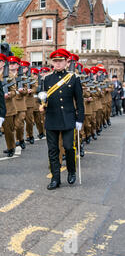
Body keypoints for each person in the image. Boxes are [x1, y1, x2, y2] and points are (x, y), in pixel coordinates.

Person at [40, 48, 84, 190]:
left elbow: (79, 100)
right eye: (55, 61)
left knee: (68, 147)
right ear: (52, 62)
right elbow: (41, 96)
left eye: (60, 61)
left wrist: (80, 119)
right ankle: (55, 178)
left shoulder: (73, 78)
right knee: (52, 150)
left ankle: (71, 171)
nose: (57, 64)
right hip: (52, 117)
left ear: (66, 62)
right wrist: (41, 103)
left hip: (68, 118)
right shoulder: (46, 78)